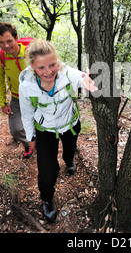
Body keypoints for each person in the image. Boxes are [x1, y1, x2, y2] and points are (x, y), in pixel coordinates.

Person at [18, 39, 97, 222]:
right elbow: (27, 114)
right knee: (47, 172)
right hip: (45, 130)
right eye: (41, 68)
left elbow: (78, 76)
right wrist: (30, 137)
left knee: (70, 150)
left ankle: (69, 160)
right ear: (32, 67)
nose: (48, 72)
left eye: (52, 65)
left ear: (58, 62)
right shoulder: (26, 86)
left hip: (70, 124)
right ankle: (47, 199)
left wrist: (84, 80)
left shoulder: (66, 73)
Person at [0, 22, 33, 159]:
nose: (6, 45)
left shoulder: (31, 52)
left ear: (16, 38)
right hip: (17, 98)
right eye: (1, 42)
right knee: (15, 129)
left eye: (9, 41)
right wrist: (3, 103)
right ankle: (28, 145)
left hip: (38, 96)